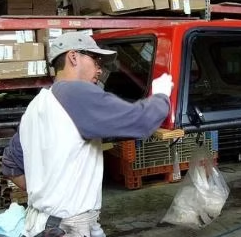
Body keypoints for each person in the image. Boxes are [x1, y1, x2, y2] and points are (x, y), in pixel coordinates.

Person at [1, 32, 173, 236]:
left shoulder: (37, 105)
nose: (100, 70)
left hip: (40, 224)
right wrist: (162, 95)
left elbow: (11, 167)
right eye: (96, 60)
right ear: (73, 57)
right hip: (67, 228)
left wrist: (48, 197)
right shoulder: (76, 93)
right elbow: (142, 121)